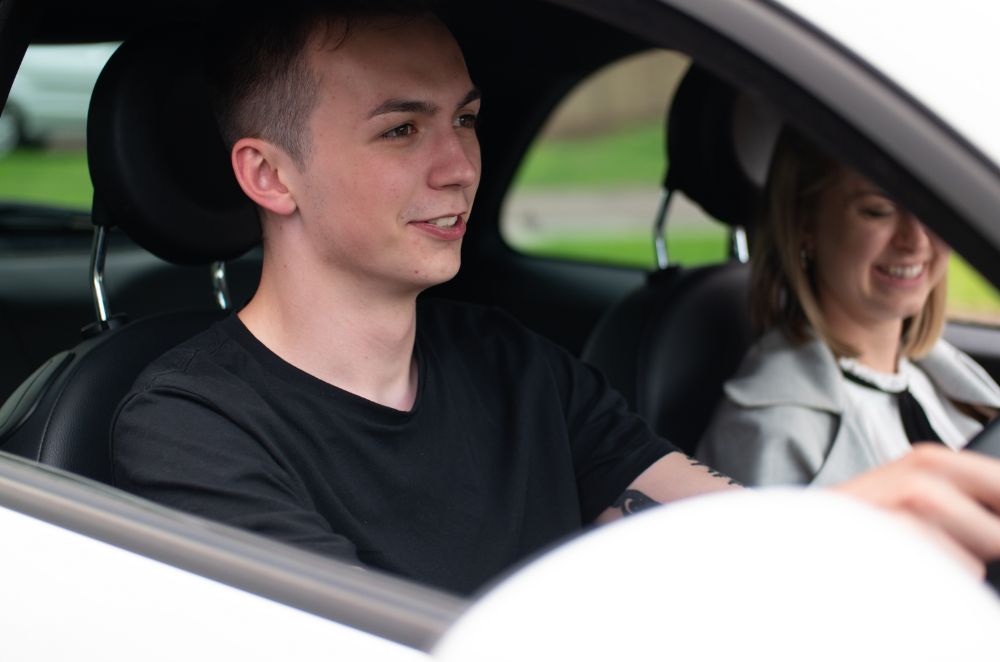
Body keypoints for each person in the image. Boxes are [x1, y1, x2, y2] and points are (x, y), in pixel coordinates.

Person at [113, 1, 1000, 594]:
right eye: (402, 129)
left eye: (465, 119)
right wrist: (622, 560)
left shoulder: (510, 361)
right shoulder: (191, 426)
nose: (460, 166)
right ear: (270, 175)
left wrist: (852, 527)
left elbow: (720, 520)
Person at [699, 129, 1000, 487]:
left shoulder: (940, 377)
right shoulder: (773, 429)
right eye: (878, 211)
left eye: (933, 210)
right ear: (805, 223)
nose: (916, 240)